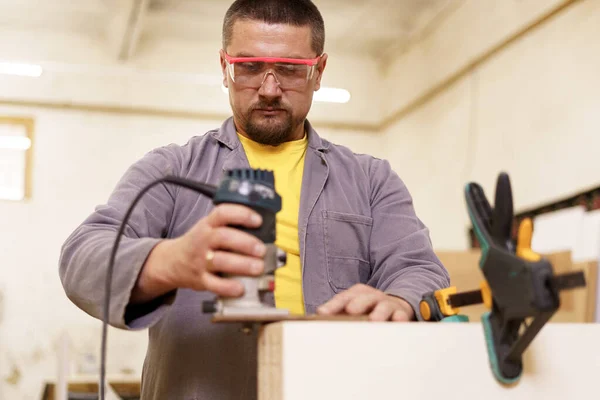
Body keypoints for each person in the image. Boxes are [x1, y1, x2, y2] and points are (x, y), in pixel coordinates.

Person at [59, 0, 450, 398]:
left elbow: (420, 270)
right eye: (248, 67)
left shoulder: (371, 180)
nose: (268, 89)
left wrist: (399, 300)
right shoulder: (172, 170)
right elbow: (81, 257)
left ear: (318, 72)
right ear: (224, 68)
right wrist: (170, 261)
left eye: (290, 70)